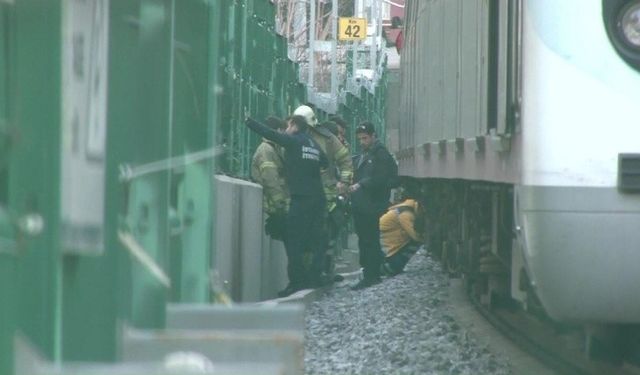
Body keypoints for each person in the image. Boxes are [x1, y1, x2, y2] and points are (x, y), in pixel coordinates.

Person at [245, 115, 328, 297]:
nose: (285, 129)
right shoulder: (312, 144)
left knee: (293, 240)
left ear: (294, 125)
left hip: (301, 198)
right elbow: (325, 162)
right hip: (318, 197)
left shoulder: (293, 141)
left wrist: (249, 121)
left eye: (288, 125)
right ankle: (314, 277)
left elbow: (270, 134)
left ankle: (296, 282)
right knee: (314, 239)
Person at [293, 105, 353, 280]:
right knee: (302, 238)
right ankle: (304, 275)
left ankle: (319, 272)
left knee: (322, 236)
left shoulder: (327, 139)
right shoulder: (292, 137)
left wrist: (344, 182)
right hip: (300, 194)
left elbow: (345, 160)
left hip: (324, 197)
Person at [349, 122, 396, 290]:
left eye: (365, 138)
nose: (362, 142)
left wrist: (362, 184)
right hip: (364, 204)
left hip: (372, 204)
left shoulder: (380, 154)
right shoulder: (367, 154)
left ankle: (371, 275)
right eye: (360, 139)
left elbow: (382, 178)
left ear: (373, 136)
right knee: (366, 239)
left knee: (370, 240)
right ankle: (370, 272)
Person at [251, 116, 289, 241]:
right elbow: (270, 178)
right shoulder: (266, 150)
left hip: (273, 204)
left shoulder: (274, 148)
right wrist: (280, 204)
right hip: (271, 205)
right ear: (277, 131)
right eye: (283, 131)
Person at [379, 191, 423, 276]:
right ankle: (392, 268)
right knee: (416, 243)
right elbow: (415, 236)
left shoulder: (402, 209)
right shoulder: (406, 214)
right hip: (388, 251)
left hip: (384, 247)